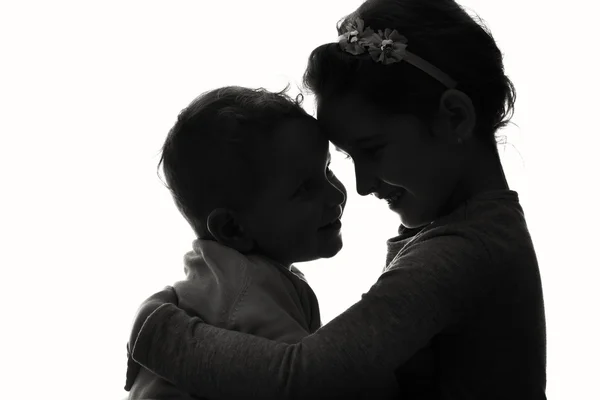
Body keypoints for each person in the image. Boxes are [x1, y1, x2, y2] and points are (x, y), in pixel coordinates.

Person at [126, 0, 547, 398]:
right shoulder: (466, 234)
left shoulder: (464, 251)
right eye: (348, 157)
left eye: (373, 149)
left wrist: (157, 332)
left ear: (454, 116)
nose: (360, 186)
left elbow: (308, 379)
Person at [124, 86, 373, 398]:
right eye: (304, 188)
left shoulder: (218, 276)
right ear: (232, 228)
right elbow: (313, 386)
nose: (337, 195)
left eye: (326, 169)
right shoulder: (247, 288)